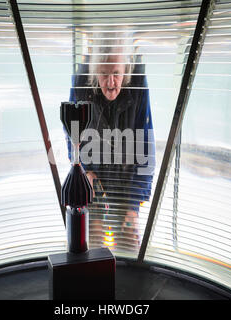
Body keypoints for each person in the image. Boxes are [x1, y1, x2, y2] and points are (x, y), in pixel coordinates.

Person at [66, 32, 155, 251]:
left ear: (126, 72)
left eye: (116, 73)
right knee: (92, 238)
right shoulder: (81, 86)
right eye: (104, 74)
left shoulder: (138, 90)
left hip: (126, 178)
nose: (111, 82)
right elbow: (72, 135)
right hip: (93, 176)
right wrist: (83, 170)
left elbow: (146, 147)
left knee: (129, 240)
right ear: (95, 72)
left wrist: (133, 207)